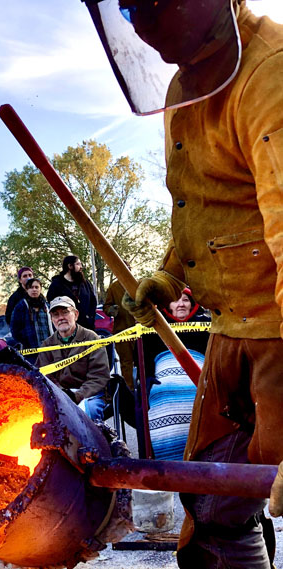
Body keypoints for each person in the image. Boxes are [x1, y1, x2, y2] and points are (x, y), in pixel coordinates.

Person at [83, 0, 283, 567]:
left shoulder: (270, 74)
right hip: (230, 332)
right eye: (126, 8)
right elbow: (201, 203)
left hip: (280, 334)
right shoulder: (185, 87)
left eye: (150, 3)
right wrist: (170, 274)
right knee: (213, 501)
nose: (140, 24)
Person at [144, 288, 210, 461]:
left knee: (202, 392)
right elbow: (146, 360)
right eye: (175, 300)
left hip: (200, 374)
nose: (181, 304)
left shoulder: (206, 325)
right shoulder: (155, 326)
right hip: (164, 377)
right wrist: (148, 378)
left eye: (186, 300)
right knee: (161, 392)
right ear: (168, 305)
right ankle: (171, 456)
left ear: (193, 305)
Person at [35, 296, 110, 421]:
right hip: (59, 396)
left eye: (65, 312)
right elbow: (43, 377)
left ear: (75, 314)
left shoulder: (91, 339)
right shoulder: (47, 345)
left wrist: (77, 396)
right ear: (52, 319)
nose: (61, 318)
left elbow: (99, 376)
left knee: (89, 412)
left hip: (89, 395)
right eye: (56, 314)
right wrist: (60, 394)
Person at [10, 278, 53, 364]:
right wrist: (25, 343)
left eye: (37, 287)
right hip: (30, 352)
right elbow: (14, 329)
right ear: (27, 290)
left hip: (49, 349)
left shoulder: (47, 306)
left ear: (40, 289)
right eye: (31, 287)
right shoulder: (21, 306)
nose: (34, 290)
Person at [47, 255, 97, 330]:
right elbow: (52, 305)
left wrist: (90, 317)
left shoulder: (85, 283)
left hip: (87, 327)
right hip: (67, 329)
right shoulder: (56, 285)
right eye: (78, 264)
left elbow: (93, 302)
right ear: (70, 266)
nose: (81, 267)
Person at [104, 278, 136, 390]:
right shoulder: (114, 287)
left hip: (141, 330)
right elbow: (106, 307)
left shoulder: (138, 284)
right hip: (122, 330)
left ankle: (144, 388)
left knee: (144, 361)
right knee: (126, 363)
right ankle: (130, 391)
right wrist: (112, 310)